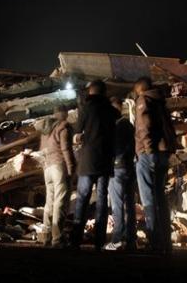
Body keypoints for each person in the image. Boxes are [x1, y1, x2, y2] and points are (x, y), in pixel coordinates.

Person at [70, 80, 117, 250]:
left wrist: (79, 138)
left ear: (91, 92)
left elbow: (77, 134)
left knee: (82, 197)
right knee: (102, 199)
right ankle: (99, 240)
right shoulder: (112, 112)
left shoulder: (86, 109)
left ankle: (76, 239)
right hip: (106, 161)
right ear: (104, 93)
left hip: (88, 161)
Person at [133, 76, 177, 253]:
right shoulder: (161, 102)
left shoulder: (143, 100)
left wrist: (149, 152)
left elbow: (144, 127)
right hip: (163, 154)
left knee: (149, 199)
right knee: (160, 197)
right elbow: (170, 129)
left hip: (149, 155)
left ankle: (154, 241)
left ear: (139, 89)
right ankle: (166, 242)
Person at [40, 105, 76, 248]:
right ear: (64, 113)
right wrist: (71, 167)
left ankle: (46, 236)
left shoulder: (46, 129)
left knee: (49, 202)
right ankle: (58, 238)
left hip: (47, 168)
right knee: (60, 201)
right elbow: (66, 149)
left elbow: (43, 150)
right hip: (59, 166)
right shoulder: (63, 127)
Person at [104, 96, 136, 251]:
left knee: (117, 205)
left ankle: (117, 239)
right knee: (129, 204)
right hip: (130, 167)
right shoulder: (129, 125)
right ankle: (131, 240)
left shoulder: (113, 126)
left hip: (117, 168)